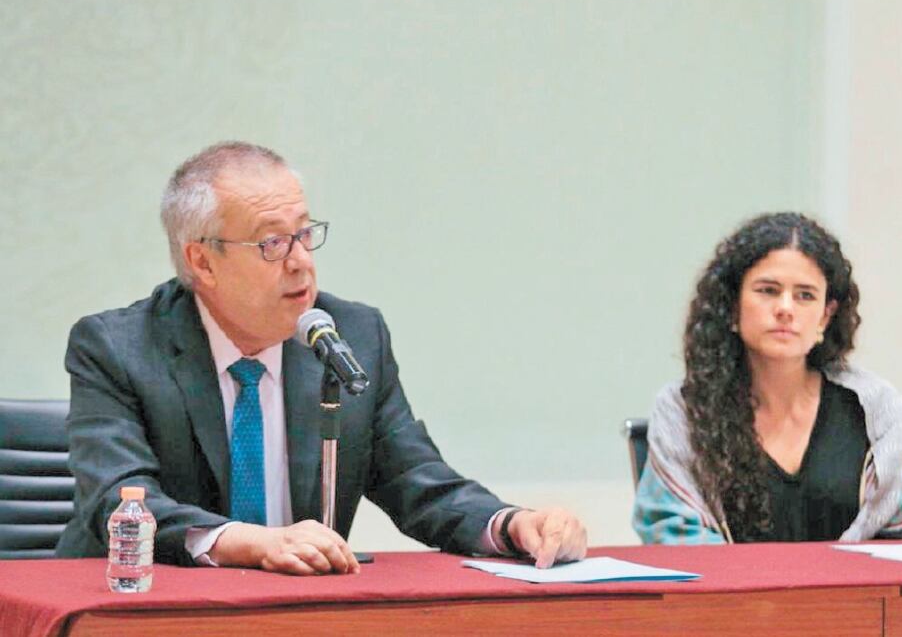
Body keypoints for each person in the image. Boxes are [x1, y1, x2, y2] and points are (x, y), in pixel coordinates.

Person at [57, 141, 586, 574]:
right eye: (272, 244)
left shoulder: (350, 336)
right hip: (139, 613)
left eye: (305, 235)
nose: (301, 263)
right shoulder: (117, 349)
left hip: (297, 616)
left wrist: (510, 524)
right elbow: (121, 500)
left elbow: (418, 481)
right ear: (202, 260)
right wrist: (248, 542)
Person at [633, 212, 902, 544]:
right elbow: (675, 541)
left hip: (852, 594)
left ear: (826, 316)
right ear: (732, 306)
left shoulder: (874, 408)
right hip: (728, 594)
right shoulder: (684, 410)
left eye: (805, 295)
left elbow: (893, 541)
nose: (786, 308)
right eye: (768, 290)